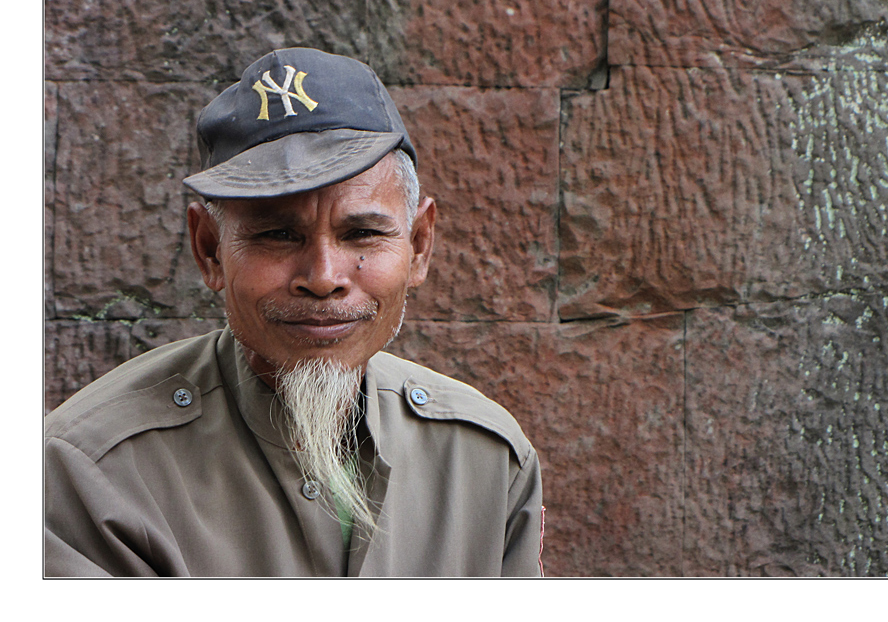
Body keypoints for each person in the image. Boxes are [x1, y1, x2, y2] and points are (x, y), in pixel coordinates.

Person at [44, 47, 544, 577]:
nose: (324, 276)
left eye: (363, 234)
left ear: (419, 245)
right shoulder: (90, 472)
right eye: (278, 235)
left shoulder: (486, 459)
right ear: (210, 249)